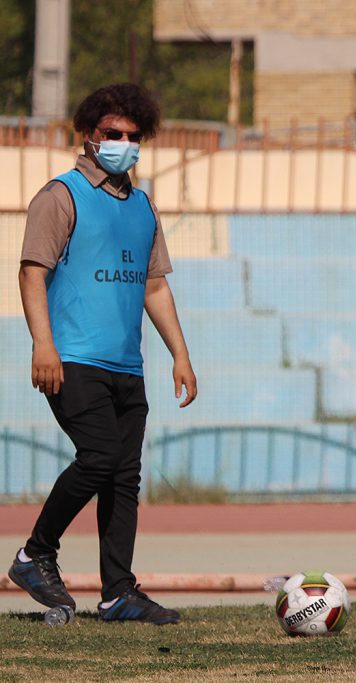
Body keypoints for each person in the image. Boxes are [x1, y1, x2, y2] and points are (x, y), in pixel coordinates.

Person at [7, 83, 197, 625]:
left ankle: (118, 592)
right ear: (89, 135)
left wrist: (180, 356)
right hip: (72, 359)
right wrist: (43, 345)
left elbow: (154, 286)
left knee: (124, 477)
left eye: (132, 136)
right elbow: (31, 273)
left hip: (127, 366)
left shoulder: (141, 206)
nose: (122, 143)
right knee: (99, 458)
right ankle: (35, 553)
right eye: (112, 134)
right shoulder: (61, 195)